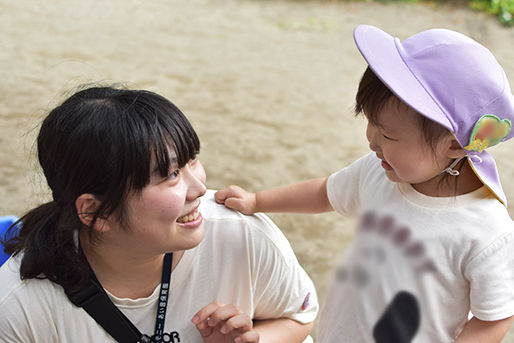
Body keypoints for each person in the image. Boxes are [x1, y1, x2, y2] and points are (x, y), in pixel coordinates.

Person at [215, 25, 514, 342]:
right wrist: (258, 201)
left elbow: (493, 318)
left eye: (388, 135)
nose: (372, 140)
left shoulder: (487, 233)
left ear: (454, 145)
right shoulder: (378, 172)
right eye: (370, 121)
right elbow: (324, 193)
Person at [0, 86, 318, 343]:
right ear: (95, 212)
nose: (198, 189)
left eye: (191, 160)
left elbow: (298, 317)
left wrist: (253, 339)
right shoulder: (20, 306)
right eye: (170, 174)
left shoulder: (243, 235)